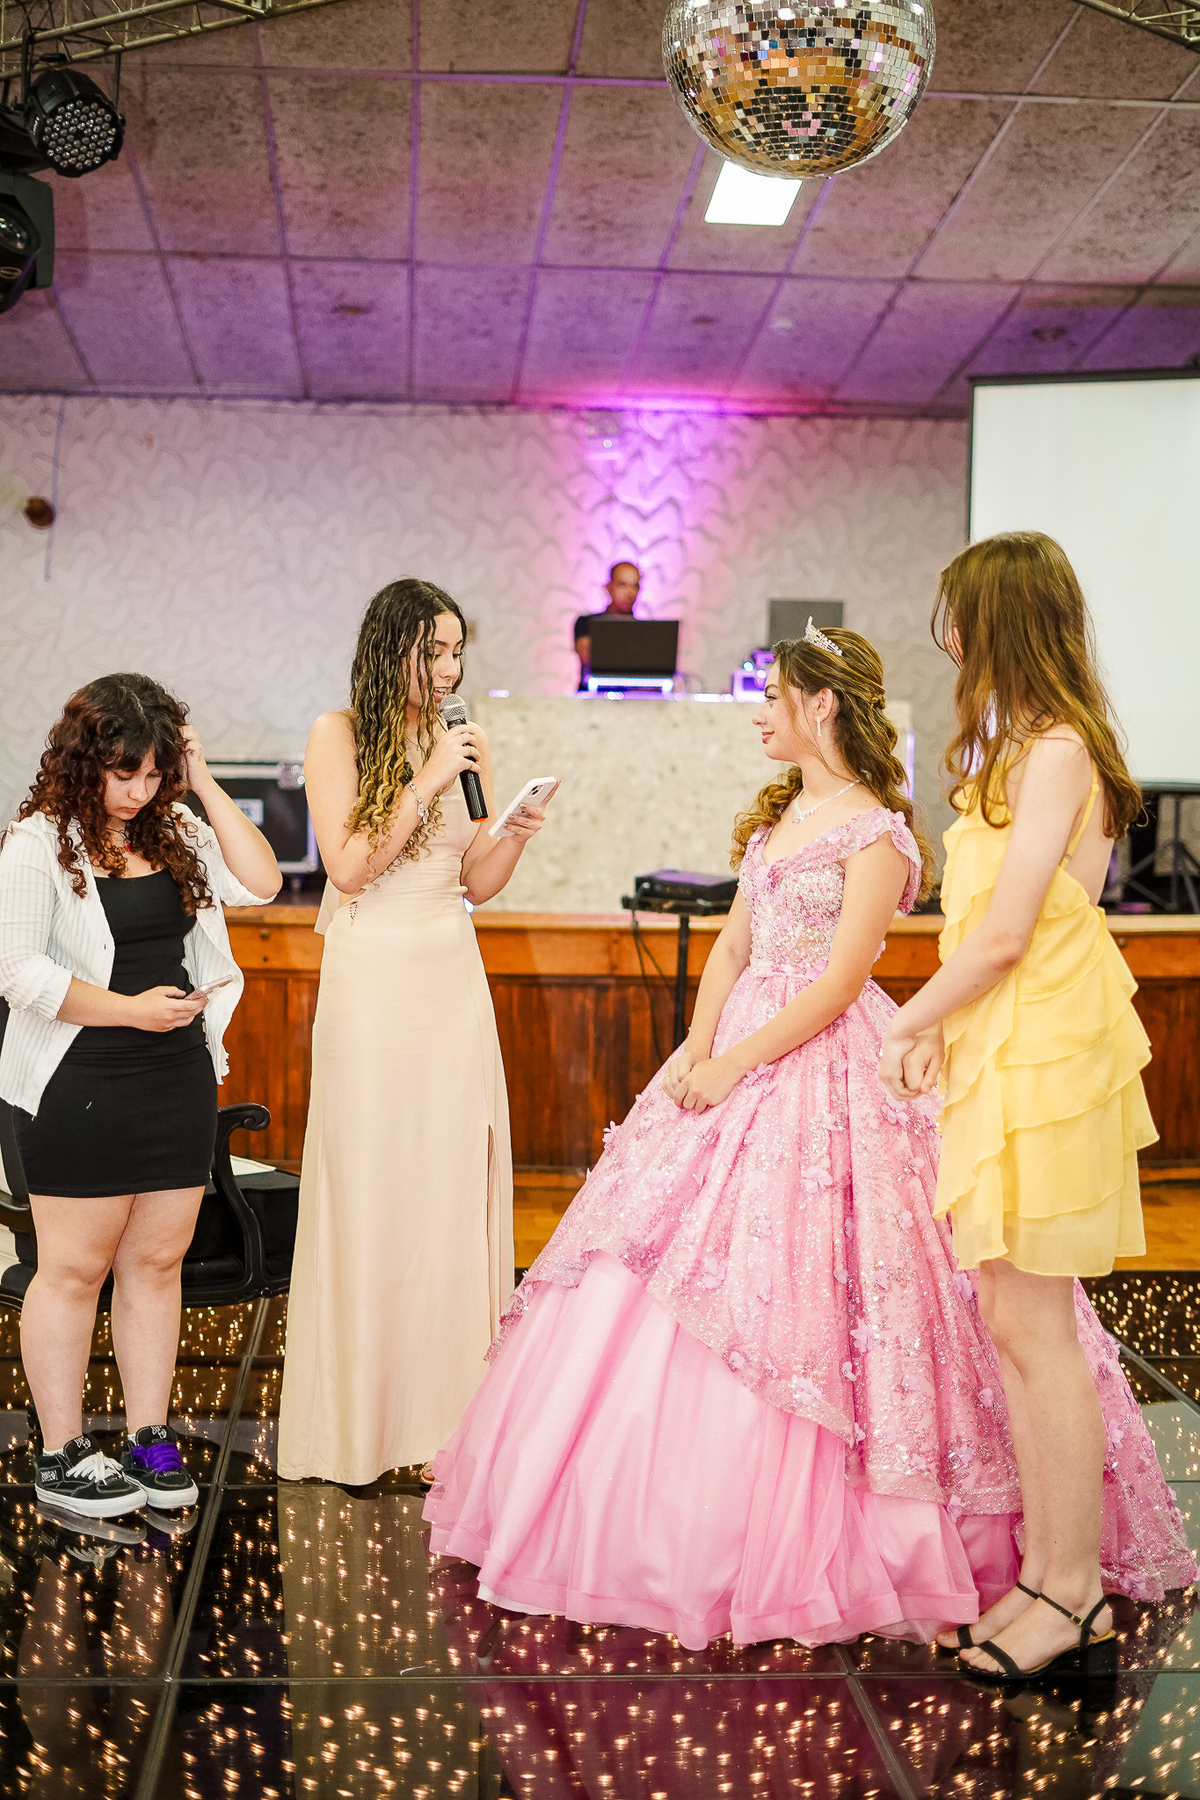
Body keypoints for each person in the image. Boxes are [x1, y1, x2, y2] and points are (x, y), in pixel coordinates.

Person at [425, 620, 1192, 1649]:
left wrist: (736, 1063)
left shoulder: (876, 832)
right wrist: (696, 1049)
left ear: (820, 704)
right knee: (650, 1268)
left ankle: (989, 1553)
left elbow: (837, 983)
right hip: (735, 1046)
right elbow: (732, 947)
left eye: (772, 695)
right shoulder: (779, 819)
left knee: (839, 1284)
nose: (759, 713)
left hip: (821, 1058)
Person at [879, 530, 1179, 1681]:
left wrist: (909, 1021)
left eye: (960, 618)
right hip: (1006, 1047)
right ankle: (1048, 1579)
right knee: (1011, 1320)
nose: (950, 639)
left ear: (1001, 620)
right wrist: (943, 1030)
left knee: (1040, 1331)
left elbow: (1006, 935)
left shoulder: (1058, 750)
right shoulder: (1021, 745)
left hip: (1047, 1058)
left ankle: (1075, 1593)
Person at [277, 578, 550, 1487]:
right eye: (433, 650)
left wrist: (514, 833)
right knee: (375, 1181)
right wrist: (426, 779)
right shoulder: (338, 735)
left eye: (457, 650)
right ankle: (362, 1424)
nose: (449, 668)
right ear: (390, 648)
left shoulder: (466, 738)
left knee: (447, 1184)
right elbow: (350, 867)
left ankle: (449, 1424)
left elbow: (475, 881)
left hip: (449, 972)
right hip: (374, 978)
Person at [0, 674, 281, 1519]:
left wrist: (204, 781)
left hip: (174, 1077)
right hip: (78, 1080)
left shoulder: (178, 829)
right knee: (73, 1269)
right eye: (126, 774)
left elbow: (262, 881)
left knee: (156, 1265)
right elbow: (18, 974)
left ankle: (147, 1437)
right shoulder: (37, 844)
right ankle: (61, 1452)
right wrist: (129, 1011)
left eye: (156, 774)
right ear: (84, 762)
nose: (140, 791)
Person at [573, 560, 640, 690]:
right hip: (592, 698)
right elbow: (588, 656)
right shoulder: (587, 623)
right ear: (608, 587)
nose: (630, 592)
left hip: (634, 700)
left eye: (635, 586)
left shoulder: (646, 632)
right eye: (622, 584)